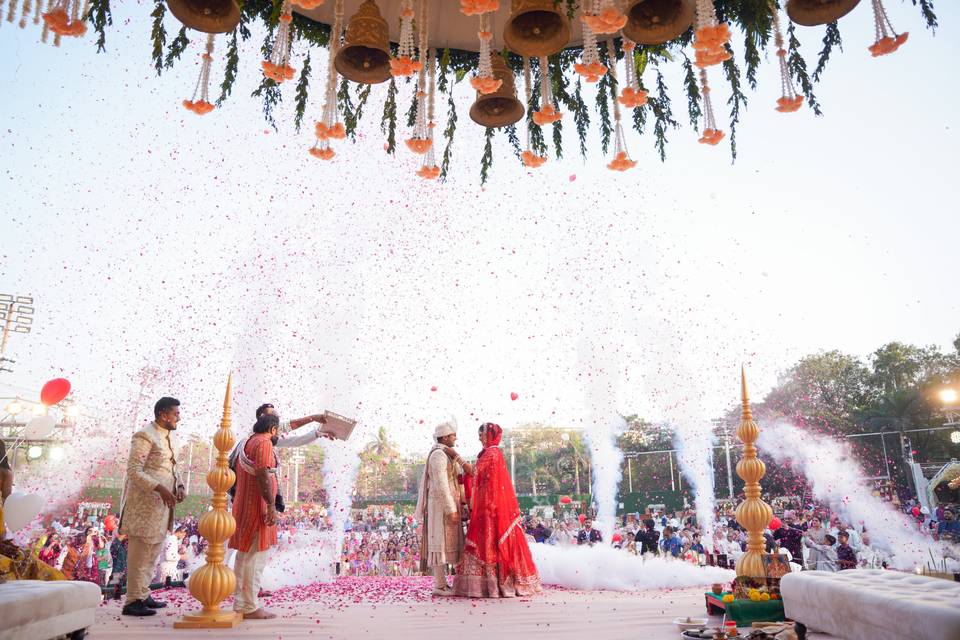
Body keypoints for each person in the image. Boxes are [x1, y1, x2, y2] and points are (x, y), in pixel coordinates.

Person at [451, 422, 541, 598]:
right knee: (488, 542)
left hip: (490, 508)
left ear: (490, 436)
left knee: (490, 542)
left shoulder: (492, 453)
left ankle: (494, 586)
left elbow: (474, 471)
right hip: (487, 505)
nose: (479, 438)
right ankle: (488, 585)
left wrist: (456, 456)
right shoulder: (491, 453)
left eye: (481, 434)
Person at [118, 397, 185, 617]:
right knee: (140, 554)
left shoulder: (168, 438)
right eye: (175, 413)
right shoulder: (145, 435)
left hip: (161, 508)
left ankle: (143, 594)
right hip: (144, 507)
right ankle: (132, 601)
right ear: (163, 414)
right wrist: (160, 488)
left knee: (153, 552)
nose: (178, 417)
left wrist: (180, 485)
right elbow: (134, 471)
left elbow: (173, 468)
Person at [228, 413, 281, 620]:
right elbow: (262, 473)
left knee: (245, 556)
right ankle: (249, 606)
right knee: (255, 557)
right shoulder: (264, 443)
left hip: (244, 504)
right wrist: (270, 504)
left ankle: (241, 603)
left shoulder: (248, 441)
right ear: (273, 430)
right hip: (257, 506)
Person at [414, 420, 468, 595]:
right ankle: (439, 585)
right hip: (440, 507)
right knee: (439, 545)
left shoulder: (446, 453)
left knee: (448, 544)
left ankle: (444, 584)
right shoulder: (438, 455)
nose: (455, 438)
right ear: (445, 437)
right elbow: (440, 484)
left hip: (448, 504)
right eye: (453, 436)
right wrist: (450, 509)